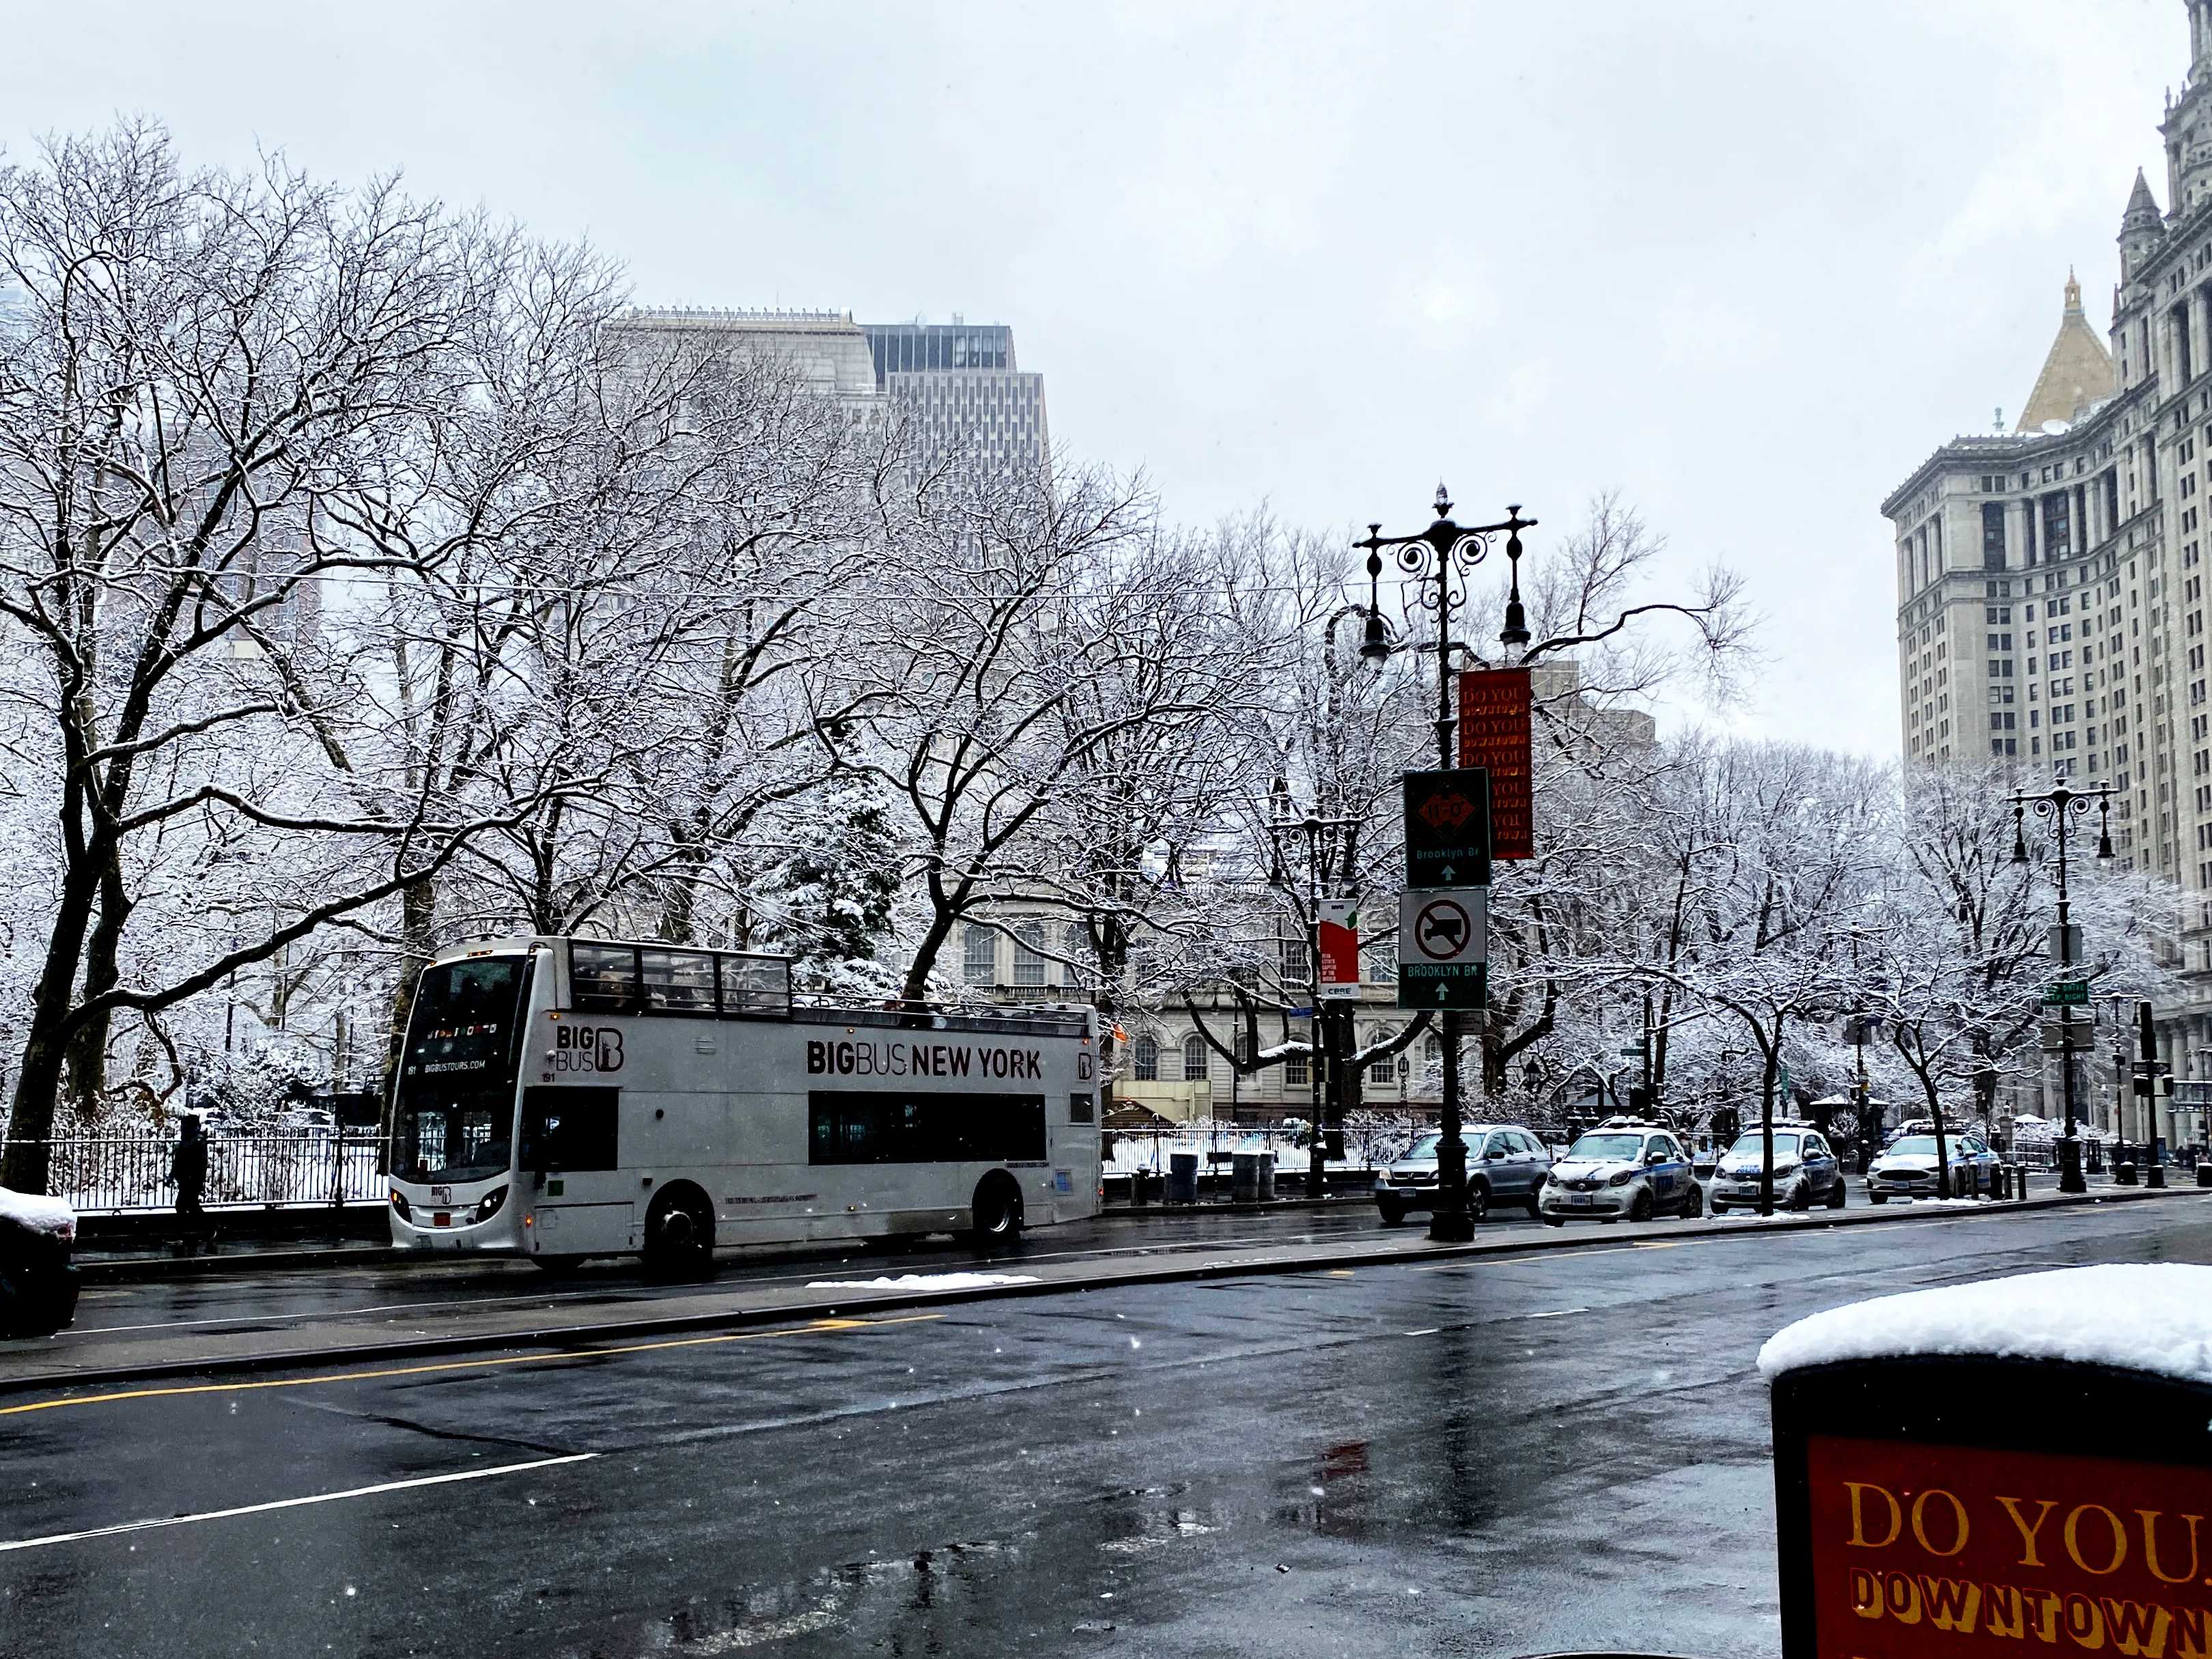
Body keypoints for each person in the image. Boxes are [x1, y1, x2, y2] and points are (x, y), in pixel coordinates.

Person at [170, 1114, 210, 1251]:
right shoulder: (188, 1140)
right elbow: (179, 1160)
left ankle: (179, 1235)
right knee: (190, 1206)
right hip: (186, 1178)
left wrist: (196, 1178)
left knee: (182, 1205)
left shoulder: (197, 1141)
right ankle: (210, 1228)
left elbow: (200, 1163)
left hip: (192, 1179)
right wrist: (173, 1174)